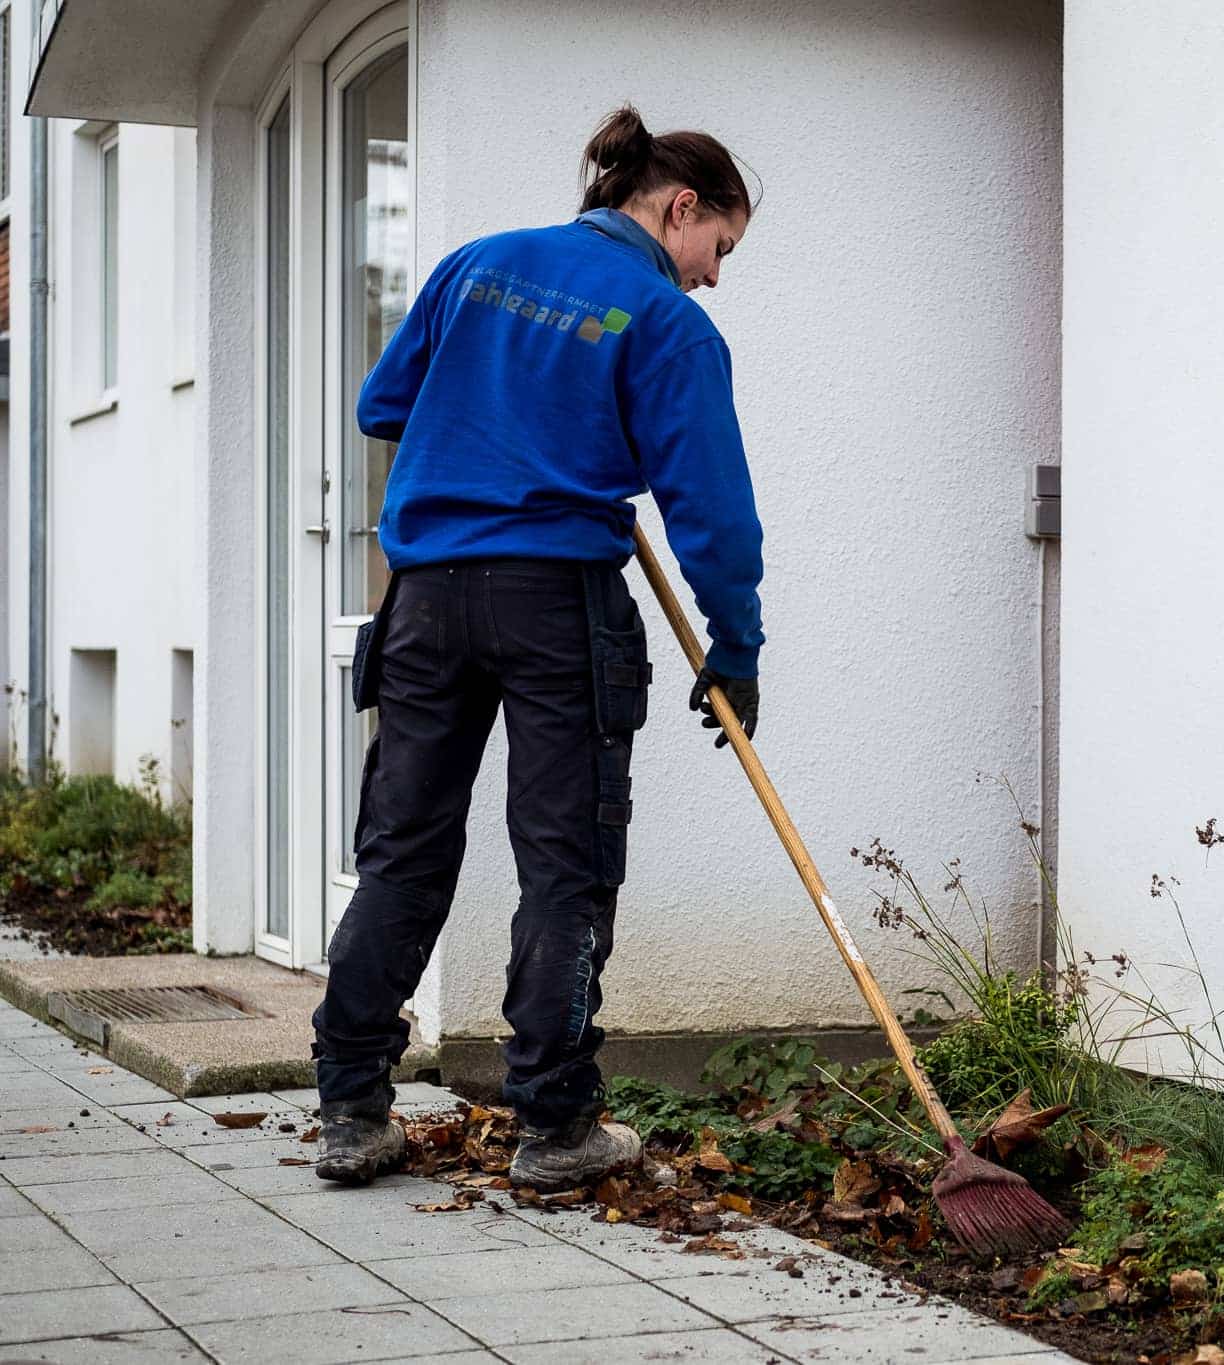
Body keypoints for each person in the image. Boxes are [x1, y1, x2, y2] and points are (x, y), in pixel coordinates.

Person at [310, 106, 765, 1190]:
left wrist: (496, 410)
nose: (712, 277)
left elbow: (386, 406)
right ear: (678, 207)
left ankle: (349, 1108)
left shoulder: (478, 267)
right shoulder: (663, 319)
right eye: (719, 249)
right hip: (557, 604)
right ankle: (554, 1127)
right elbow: (711, 510)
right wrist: (735, 642)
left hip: (423, 600)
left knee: (403, 850)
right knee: (566, 862)